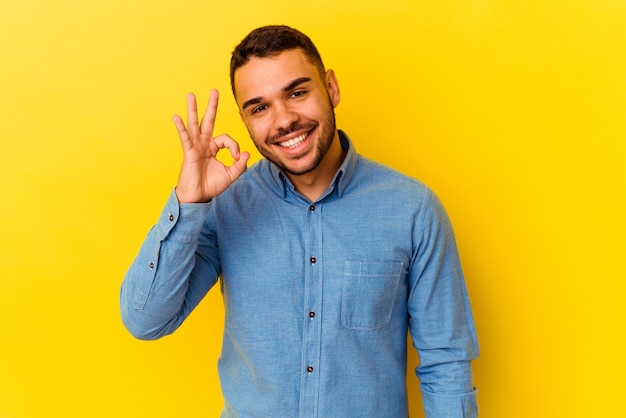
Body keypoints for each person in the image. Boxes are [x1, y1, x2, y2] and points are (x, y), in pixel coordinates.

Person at [120, 25, 479, 417]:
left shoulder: (413, 210)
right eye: (260, 107)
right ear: (245, 120)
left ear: (331, 88)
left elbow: (446, 363)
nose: (285, 120)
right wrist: (189, 202)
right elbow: (146, 320)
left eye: (297, 92)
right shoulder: (224, 208)